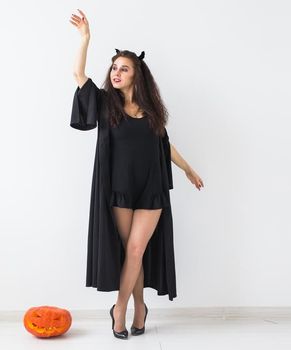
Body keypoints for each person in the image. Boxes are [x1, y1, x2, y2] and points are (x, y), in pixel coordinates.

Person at [69, 9, 205, 340]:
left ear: (136, 75)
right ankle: (139, 307)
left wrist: (188, 169)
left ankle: (120, 310)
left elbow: (165, 146)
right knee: (132, 251)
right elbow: (77, 75)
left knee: (136, 250)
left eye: (123, 69)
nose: (116, 73)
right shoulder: (104, 103)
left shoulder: (152, 111)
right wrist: (85, 39)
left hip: (151, 189)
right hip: (119, 190)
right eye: (114, 68)